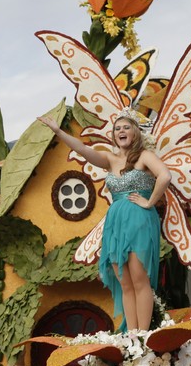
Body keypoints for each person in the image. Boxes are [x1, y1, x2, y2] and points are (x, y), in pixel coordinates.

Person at [39, 112, 170, 331]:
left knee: (139, 279)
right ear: (113, 135)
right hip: (115, 223)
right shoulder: (110, 159)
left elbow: (165, 176)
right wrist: (58, 131)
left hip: (138, 219)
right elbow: (82, 149)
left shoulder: (144, 156)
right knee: (125, 282)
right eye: (117, 128)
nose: (121, 131)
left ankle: (144, 336)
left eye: (126, 127)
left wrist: (149, 203)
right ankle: (132, 336)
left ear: (136, 132)